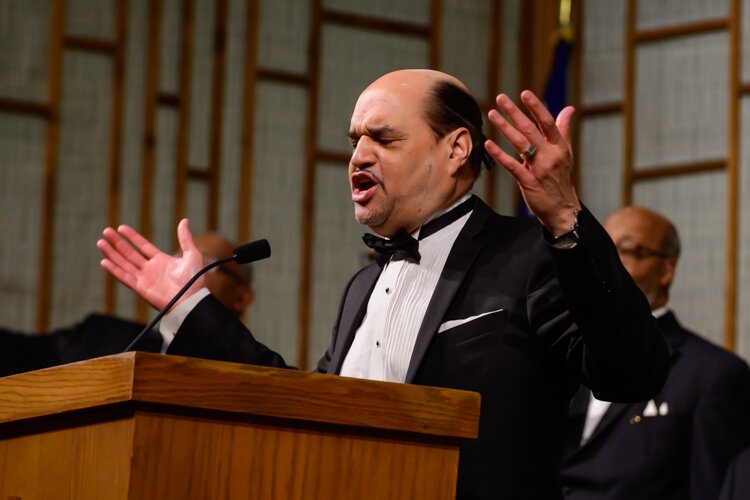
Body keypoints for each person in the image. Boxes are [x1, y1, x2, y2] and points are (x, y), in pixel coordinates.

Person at [97, 69, 669, 499]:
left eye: (384, 139)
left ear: (456, 149)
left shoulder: (529, 258)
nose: (358, 157)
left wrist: (566, 220)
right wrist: (193, 308)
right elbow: (311, 413)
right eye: (353, 141)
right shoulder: (361, 289)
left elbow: (631, 372)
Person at [561, 206, 750, 500]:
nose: (604, 262)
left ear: (665, 271)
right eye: (599, 247)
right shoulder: (563, 351)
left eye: (624, 250)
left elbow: (713, 487)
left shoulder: (713, 374)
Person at [0, 234, 254, 377]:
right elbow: (22, 353)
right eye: (177, 258)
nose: (180, 269)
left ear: (241, 298)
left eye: (203, 262)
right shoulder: (100, 335)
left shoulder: (250, 374)